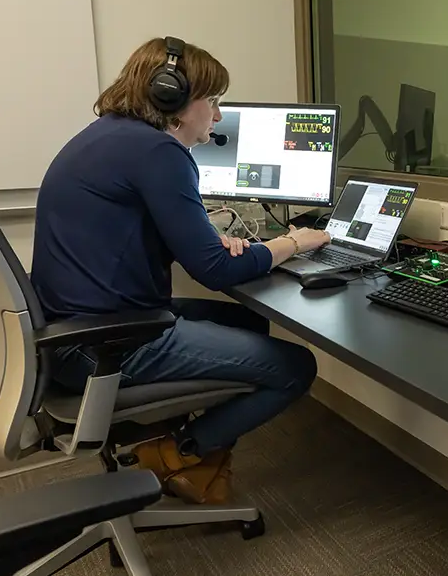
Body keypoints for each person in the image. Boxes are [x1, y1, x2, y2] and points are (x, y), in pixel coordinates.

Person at [31, 37, 331, 505]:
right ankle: (174, 453)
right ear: (169, 97)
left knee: (247, 320)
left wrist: (211, 239)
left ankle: (201, 462)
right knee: (297, 366)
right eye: (211, 101)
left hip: (74, 332)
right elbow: (214, 271)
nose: (216, 116)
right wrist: (293, 242)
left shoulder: (106, 136)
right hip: (109, 344)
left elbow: (137, 232)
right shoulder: (158, 152)